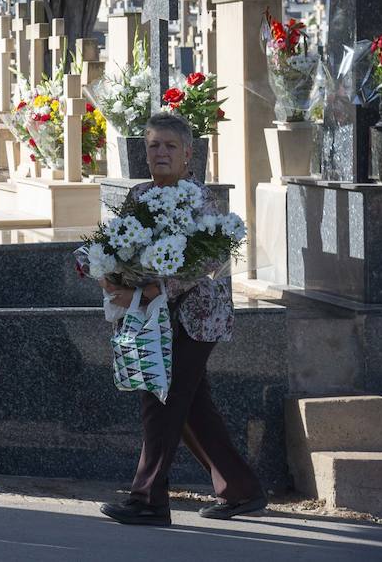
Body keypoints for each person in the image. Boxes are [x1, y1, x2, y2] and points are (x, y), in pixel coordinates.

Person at [97, 111, 264, 526]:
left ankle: (149, 499)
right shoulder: (138, 196)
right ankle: (242, 489)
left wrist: (159, 289)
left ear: (188, 154)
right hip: (150, 316)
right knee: (192, 409)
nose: (161, 153)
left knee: (161, 399)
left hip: (196, 318)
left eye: (170, 146)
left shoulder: (198, 197)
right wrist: (111, 277)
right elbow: (120, 243)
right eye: (154, 145)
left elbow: (210, 257)